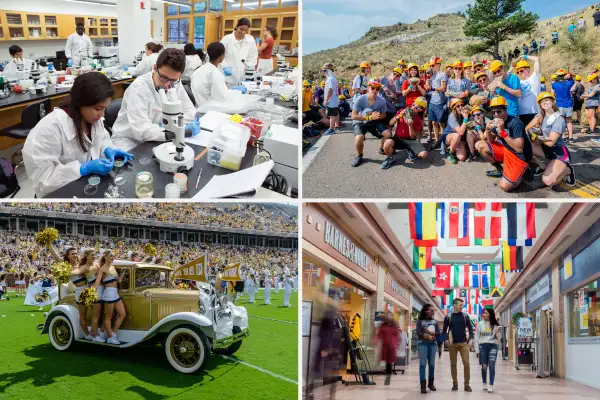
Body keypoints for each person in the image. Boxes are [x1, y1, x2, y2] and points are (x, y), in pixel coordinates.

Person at [23, 72, 132, 197]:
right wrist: (82, 168)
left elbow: (101, 139)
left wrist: (109, 149)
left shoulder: (92, 118)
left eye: (104, 108)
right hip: (59, 193)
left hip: (85, 185)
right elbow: (43, 180)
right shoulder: (49, 129)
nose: (102, 115)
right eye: (98, 108)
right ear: (81, 102)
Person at [111, 48, 198, 151]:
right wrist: (175, 130)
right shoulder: (139, 89)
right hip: (130, 142)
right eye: (163, 78)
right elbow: (142, 130)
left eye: (173, 80)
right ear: (155, 68)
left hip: (157, 137)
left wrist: (171, 127)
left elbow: (189, 111)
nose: (167, 85)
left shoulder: (175, 83)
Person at [476, 96, 532, 192]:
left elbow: (519, 148)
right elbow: (490, 141)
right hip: (507, 149)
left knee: (505, 186)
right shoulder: (495, 122)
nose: (496, 115)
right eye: (493, 112)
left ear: (505, 110)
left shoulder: (515, 123)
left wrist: (502, 132)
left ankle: (524, 171)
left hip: (519, 156)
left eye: (499, 111)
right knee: (479, 145)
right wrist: (488, 130)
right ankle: (501, 169)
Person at [525, 91, 576, 187]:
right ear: (540, 104)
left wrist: (535, 136)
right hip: (546, 148)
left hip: (558, 152)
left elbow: (550, 142)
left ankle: (568, 170)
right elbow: (527, 128)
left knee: (548, 181)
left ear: (552, 102)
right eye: (542, 101)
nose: (544, 102)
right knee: (523, 145)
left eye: (547, 100)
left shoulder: (559, 119)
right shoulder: (541, 115)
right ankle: (541, 165)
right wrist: (533, 133)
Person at [190, 42, 251, 114]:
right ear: (222, 56)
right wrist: (237, 91)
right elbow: (223, 97)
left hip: (200, 106)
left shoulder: (199, 70)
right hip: (210, 109)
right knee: (244, 105)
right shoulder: (215, 73)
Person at [350, 78, 391, 167]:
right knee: (359, 139)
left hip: (374, 121)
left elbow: (384, 115)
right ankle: (359, 156)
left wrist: (377, 116)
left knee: (387, 134)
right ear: (368, 87)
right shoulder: (360, 99)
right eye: (372, 88)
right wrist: (368, 117)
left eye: (377, 88)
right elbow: (353, 116)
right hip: (360, 121)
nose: (375, 90)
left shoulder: (382, 100)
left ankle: (382, 148)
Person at [381, 96, 428, 169]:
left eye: (417, 108)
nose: (413, 108)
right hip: (398, 138)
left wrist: (410, 126)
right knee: (387, 143)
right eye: (413, 105)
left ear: (421, 110)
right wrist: (398, 116)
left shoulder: (418, 119)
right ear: (412, 103)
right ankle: (389, 158)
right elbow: (390, 123)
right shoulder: (402, 111)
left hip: (410, 140)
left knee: (424, 154)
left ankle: (410, 150)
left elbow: (413, 136)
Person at [93, 250, 126, 345]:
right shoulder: (102, 269)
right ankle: (110, 337)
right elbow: (97, 282)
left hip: (115, 293)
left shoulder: (113, 267)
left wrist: (123, 273)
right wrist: (90, 291)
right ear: (105, 257)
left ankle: (113, 334)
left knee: (122, 314)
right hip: (108, 294)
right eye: (111, 256)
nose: (112, 257)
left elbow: (118, 280)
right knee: (108, 317)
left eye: (113, 256)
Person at [442, 298, 474, 392]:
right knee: (453, 364)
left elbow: (470, 328)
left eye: (462, 305)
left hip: (463, 343)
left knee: (466, 363)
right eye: (460, 305)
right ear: (454, 305)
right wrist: (446, 339)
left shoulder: (465, 316)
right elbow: (444, 331)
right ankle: (455, 383)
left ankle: (466, 384)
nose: (462, 307)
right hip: (452, 344)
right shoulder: (448, 317)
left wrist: (470, 338)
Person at [220, 18, 258, 85]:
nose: (243, 32)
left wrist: (249, 73)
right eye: (241, 29)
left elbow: (252, 57)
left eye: (246, 30)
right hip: (228, 74)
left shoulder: (250, 39)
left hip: (243, 74)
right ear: (237, 27)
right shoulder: (227, 39)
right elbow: (219, 54)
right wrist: (224, 66)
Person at [475, 308, 502, 393]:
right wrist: (477, 351)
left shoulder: (495, 325)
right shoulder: (480, 324)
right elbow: (476, 338)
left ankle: (491, 385)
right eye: (484, 313)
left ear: (490, 314)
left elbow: (500, 338)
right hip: (483, 346)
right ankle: (484, 383)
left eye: (486, 313)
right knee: (484, 366)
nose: (484, 314)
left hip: (493, 346)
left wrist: (497, 332)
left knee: (492, 365)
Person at [417, 304, 440, 394]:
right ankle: (423, 386)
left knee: (432, 364)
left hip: (432, 345)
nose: (433, 312)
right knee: (422, 364)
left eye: (433, 310)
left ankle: (431, 384)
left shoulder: (435, 322)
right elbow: (418, 332)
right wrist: (426, 336)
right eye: (431, 310)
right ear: (425, 311)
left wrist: (435, 335)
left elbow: (438, 332)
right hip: (422, 344)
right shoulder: (420, 321)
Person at [426, 57, 448, 148]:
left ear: (438, 65)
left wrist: (432, 88)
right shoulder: (433, 75)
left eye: (433, 65)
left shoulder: (443, 75)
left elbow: (443, 88)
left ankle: (442, 141)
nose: (432, 67)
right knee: (434, 122)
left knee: (441, 123)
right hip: (432, 102)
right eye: (431, 65)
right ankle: (436, 140)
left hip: (440, 102)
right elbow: (430, 86)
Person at [515, 56, 542, 126]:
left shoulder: (534, 77)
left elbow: (537, 59)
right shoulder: (517, 82)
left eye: (521, 70)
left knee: (536, 135)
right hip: (521, 114)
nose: (519, 73)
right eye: (517, 72)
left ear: (528, 70)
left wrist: (524, 56)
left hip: (535, 112)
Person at [550, 68, 575, 142]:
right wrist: (569, 75)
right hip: (569, 104)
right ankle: (571, 137)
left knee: (562, 121)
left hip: (560, 104)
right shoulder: (569, 83)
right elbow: (572, 78)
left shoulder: (554, 85)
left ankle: (564, 136)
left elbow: (552, 94)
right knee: (569, 121)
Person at [375, 312, 399, 386]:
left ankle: (388, 377)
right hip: (385, 346)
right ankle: (387, 375)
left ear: (392, 317)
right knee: (386, 362)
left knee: (389, 362)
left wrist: (396, 344)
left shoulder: (395, 326)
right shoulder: (382, 325)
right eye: (387, 315)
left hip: (392, 346)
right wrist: (376, 340)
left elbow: (398, 335)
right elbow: (379, 334)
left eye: (390, 315)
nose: (389, 316)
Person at [322, 63, 340, 135]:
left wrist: (326, 100)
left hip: (331, 101)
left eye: (324, 70)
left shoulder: (331, 79)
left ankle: (331, 129)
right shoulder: (333, 79)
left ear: (328, 70)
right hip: (334, 100)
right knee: (334, 114)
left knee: (332, 115)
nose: (324, 72)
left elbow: (330, 90)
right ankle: (335, 126)